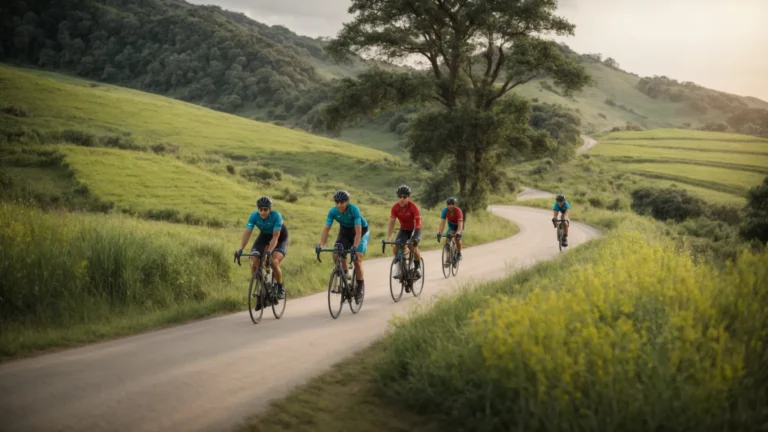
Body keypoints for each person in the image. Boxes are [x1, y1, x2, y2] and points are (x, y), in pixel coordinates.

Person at [234, 196, 288, 310]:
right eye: (260, 209)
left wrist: (269, 251)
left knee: (273, 261)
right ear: (258, 209)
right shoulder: (254, 216)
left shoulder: (276, 216)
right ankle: (262, 284)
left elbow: (275, 237)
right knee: (254, 259)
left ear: (270, 209)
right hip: (264, 237)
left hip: (280, 238)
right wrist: (240, 249)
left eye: (265, 209)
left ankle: (280, 286)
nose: (262, 212)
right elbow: (247, 233)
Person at [317, 190, 369, 303]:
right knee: (337, 254)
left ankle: (359, 288)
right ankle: (345, 274)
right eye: (337, 202)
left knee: (357, 259)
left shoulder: (354, 209)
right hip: (345, 232)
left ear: (347, 202)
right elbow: (326, 229)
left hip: (360, 231)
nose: (339, 204)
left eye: (342, 202)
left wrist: (355, 246)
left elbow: (358, 232)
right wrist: (322, 245)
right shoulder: (333, 211)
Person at [386, 184, 423, 285]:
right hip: (404, 229)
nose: (401, 199)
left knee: (412, 246)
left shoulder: (413, 207)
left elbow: (418, 223)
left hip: (415, 229)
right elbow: (392, 222)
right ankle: (401, 265)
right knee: (396, 246)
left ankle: (417, 267)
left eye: (404, 197)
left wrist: (415, 238)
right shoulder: (395, 207)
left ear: (408, 197)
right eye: (399, 197)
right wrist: (389, 236)